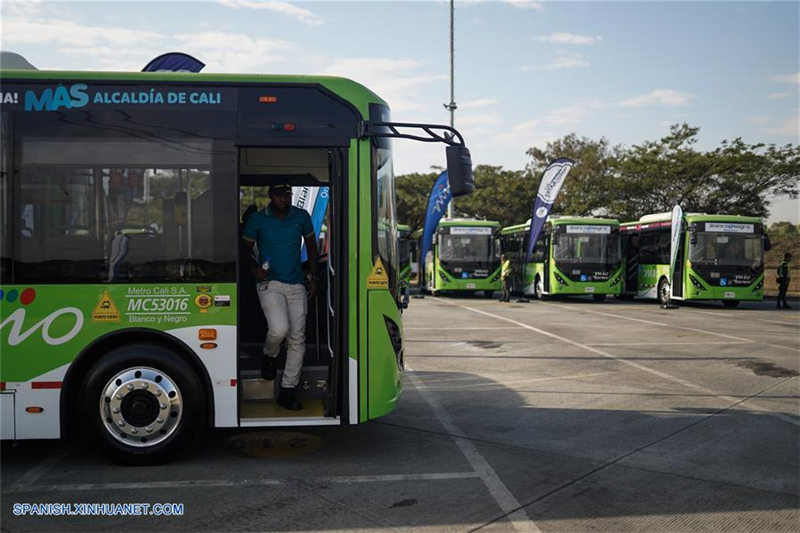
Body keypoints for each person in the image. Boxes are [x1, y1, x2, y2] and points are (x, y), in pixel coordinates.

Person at [241, 184, 319, 410]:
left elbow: (312, 247)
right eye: (278, 195)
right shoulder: (257, 219)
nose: (283, 199)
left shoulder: (301, 216)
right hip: (269, 282)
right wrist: (254, 268)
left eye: (286, 195)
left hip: (296, 283)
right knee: (279, 329)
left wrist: (314, 278)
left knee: (297, 338)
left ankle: (288, 389)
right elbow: (243, 250)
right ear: (270, 196)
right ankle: (269, 354)